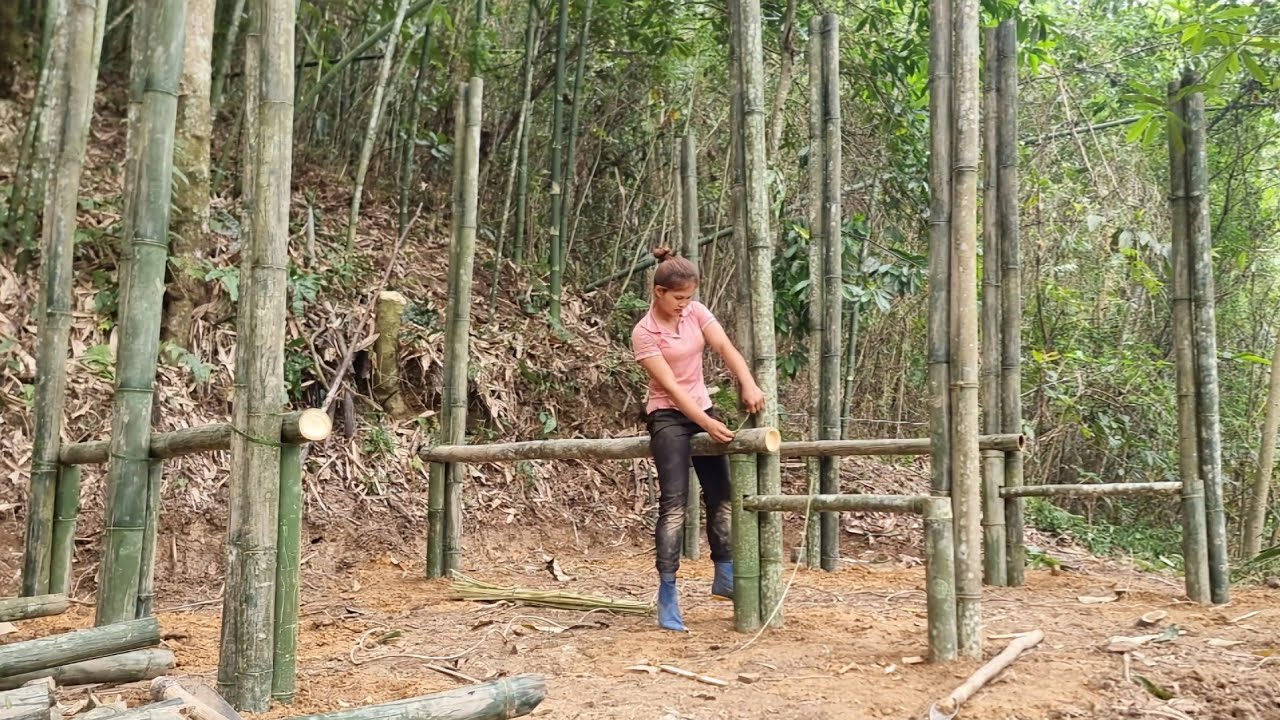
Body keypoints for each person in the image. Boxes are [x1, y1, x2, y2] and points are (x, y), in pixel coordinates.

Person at [631, 247, 765, 632]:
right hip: (668, 416)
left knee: (722, 495)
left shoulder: (697, 312)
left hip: (703, 408)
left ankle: (724, 573)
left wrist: (748, 382)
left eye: (689, 297)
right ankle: (668, 591)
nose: (684, 305)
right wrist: (705, 423)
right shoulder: (644, 332)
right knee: (674, 505)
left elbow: (724, 348)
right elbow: (670, 387)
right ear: (659, 292)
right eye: (678, 298)